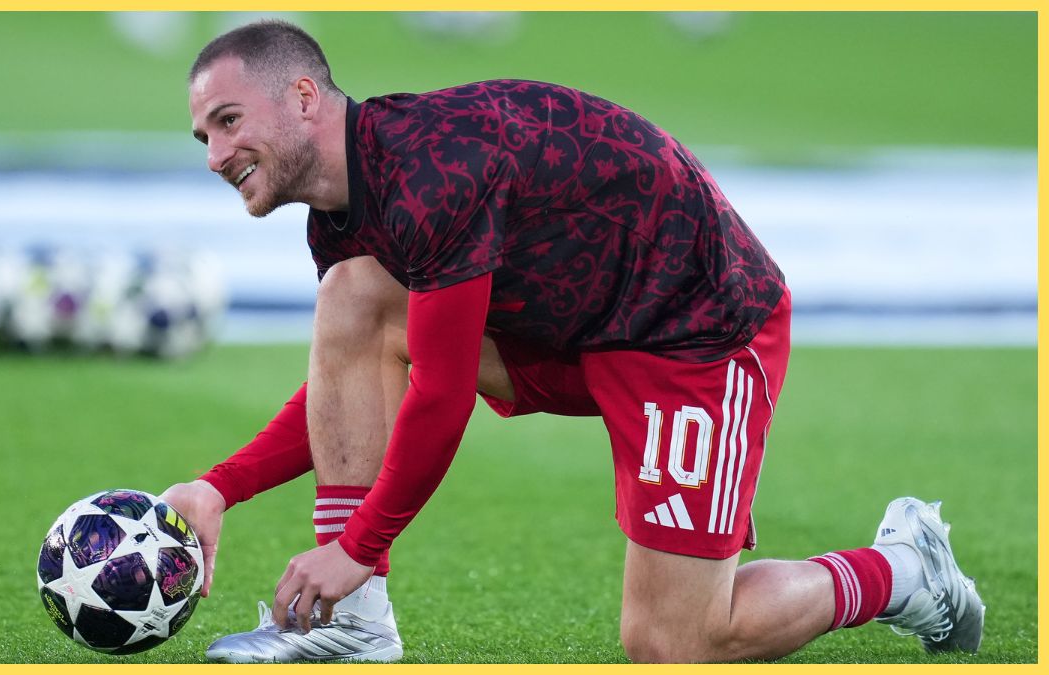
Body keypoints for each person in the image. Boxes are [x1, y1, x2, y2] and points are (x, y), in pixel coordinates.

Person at [161, 19, 985, 663]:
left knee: (677, 642)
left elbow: (441, 393)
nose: (217, 154)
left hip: (694, 329)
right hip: (573, 323)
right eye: (205, 136)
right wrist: (220, 488)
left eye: (229, 121)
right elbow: (352, 384)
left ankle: (905, 569)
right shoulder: (347, 209)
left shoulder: (431, 174)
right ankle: (353, 624)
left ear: (304, 96)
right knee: (358, 295)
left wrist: (356, 544)